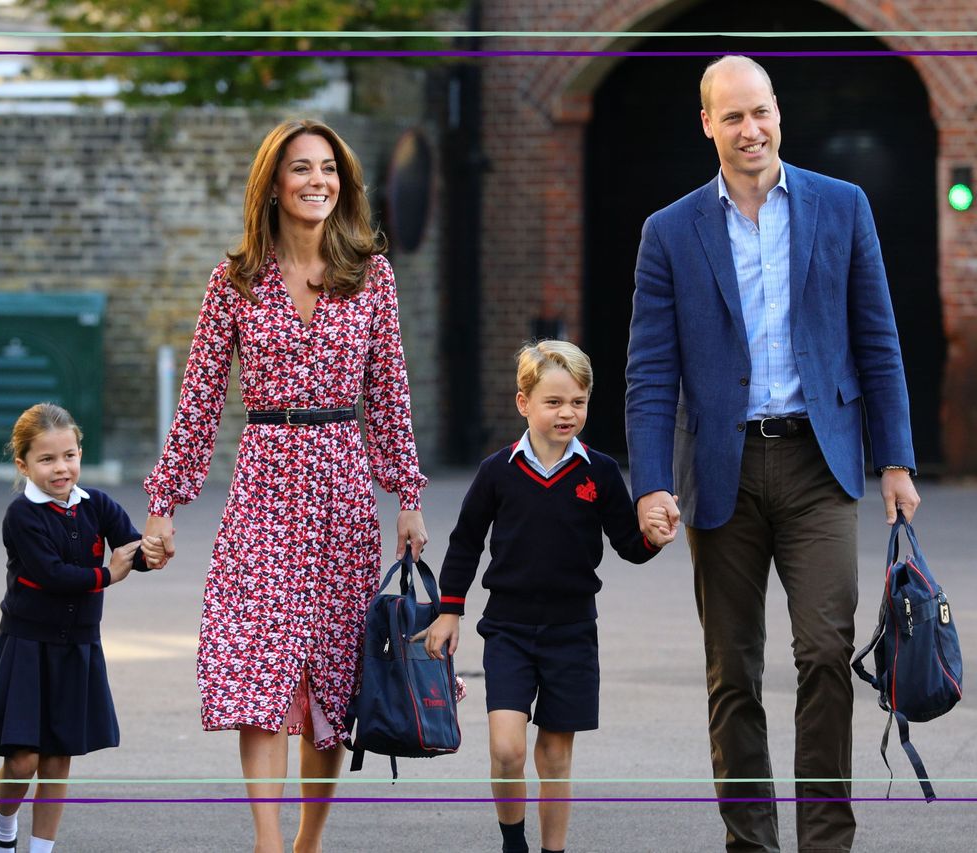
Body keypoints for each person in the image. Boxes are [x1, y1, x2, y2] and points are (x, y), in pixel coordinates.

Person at [625, 56, 922, 853]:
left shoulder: (842, 206)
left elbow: (878, 341)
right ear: (707, 125)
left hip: (818, 463)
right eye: (733, 117)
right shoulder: (670, 231)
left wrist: (895, 458)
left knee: (825, 650)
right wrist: (650, 482)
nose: (750, 130)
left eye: (761, 113)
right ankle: (750, 842)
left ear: (778, 113)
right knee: (733, 672)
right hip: (718, 469)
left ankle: (826, 840)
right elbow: (650, 373)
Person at [141, 118, 429, 853]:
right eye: (300, 169)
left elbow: (390, 394)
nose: (316, 182)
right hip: (264, 482)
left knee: (331, 677)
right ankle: (269, 844)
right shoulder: (234, 278)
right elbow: (200, 399)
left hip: (341, 485)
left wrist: (409, 497)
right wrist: (165, 503)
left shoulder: (372, 274)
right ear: (273, 183)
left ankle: (306, 842)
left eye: (328, 168)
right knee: (256, 667)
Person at [420, 340, 675, 853]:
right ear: (524, 404)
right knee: (508, 748)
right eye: (553, 402)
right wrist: (449, 611)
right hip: (509, 630)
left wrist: (652, 538)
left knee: (555, 759)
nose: (566, 413)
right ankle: (513, 843)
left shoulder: (598, 472)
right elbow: (465, 541)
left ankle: (553, 851)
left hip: (573, 633)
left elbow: (629, 544)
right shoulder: (498, 470)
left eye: (577, 402)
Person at [0, 402, 151, 853]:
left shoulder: (98, 504)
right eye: (47, 459)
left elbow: (131, 547)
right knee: (22, 760)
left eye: (69, 455)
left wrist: (152, 550)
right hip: (27, 646)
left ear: (79, 452)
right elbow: (52, 575)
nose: (61, 468)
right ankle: (4, 831)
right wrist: (108, 574)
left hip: (78, 647)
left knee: (57, 760)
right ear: (24, 464)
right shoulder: (22, 515)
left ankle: (41, 851)